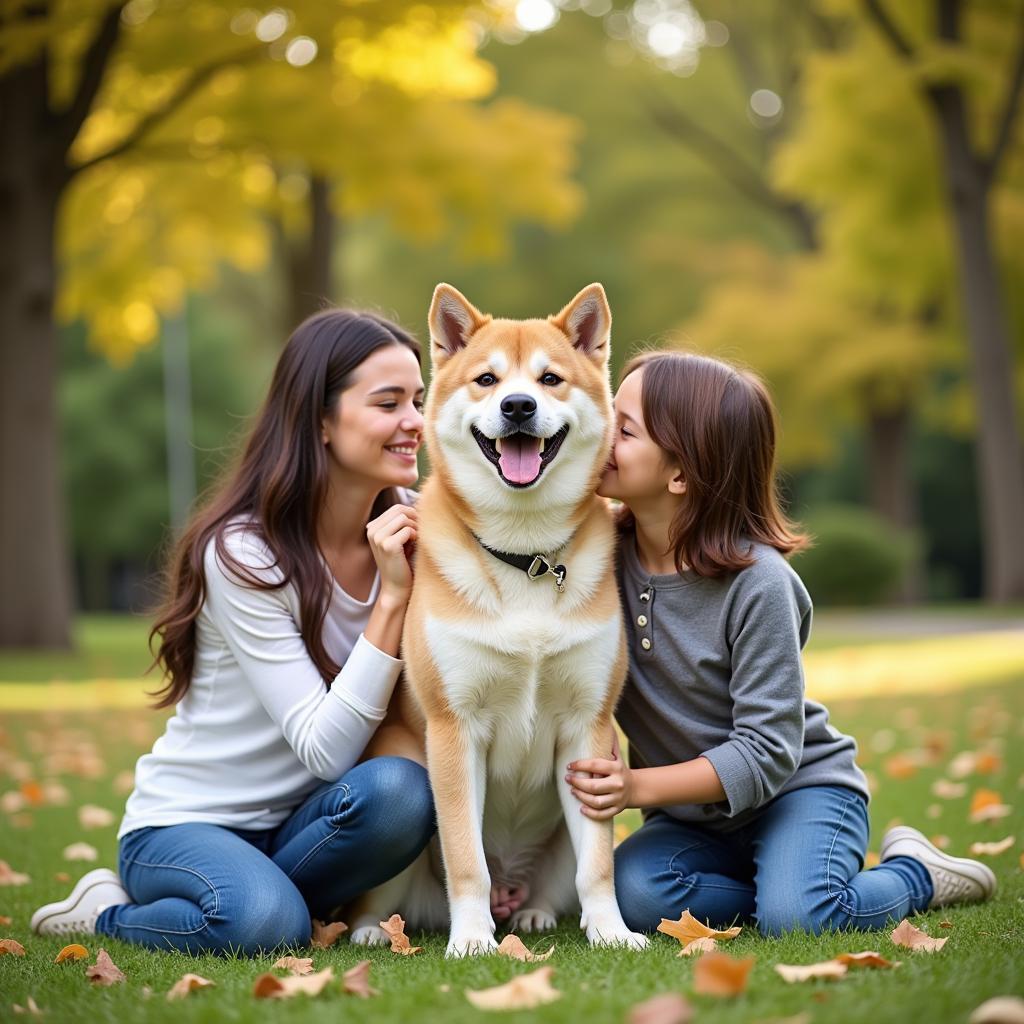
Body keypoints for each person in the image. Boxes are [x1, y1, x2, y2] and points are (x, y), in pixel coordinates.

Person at [31, 309, 435, 954]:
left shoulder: (421, 523)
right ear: (320, 422)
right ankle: (107, 911)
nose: (416, 421)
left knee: (400, 793)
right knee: (261, 926)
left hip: (310, 825)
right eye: (389, 403)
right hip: (190, 825)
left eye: (419, 399)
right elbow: (325, 750)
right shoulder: (244, 554)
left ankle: (272, 897)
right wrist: (390, 599)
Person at [563, 350, 996, 936]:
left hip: (798, 794)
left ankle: (913, 872)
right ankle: (781, 887)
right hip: (692, 821)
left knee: (799, 920)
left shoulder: (758, 583)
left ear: (681, 474)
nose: (599, 430)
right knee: (636, 892)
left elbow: (767, 751)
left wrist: (637, 787)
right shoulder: (596, 561)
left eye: (625, 428)